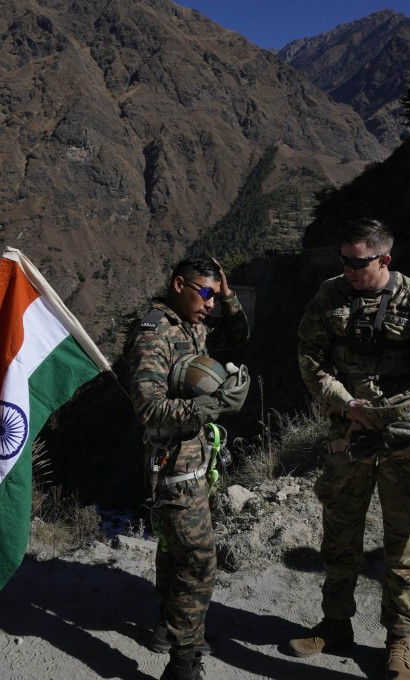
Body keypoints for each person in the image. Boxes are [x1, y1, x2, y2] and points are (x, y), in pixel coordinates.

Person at [290, 218, 410, 680]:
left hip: (405, 442)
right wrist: (345, 402)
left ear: (384, 259)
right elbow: (309, 359)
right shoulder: (329, 296)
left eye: (357, 262)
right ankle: (335, 625)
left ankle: (398, 643)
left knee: (403, 545)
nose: (347, 269)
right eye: (343, 259)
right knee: (339, 537)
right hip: (349, 436)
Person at [125, 256, 251, 680]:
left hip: (193, 458)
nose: (211, 303)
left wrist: (228, 295)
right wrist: (214, 405)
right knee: (198, 562)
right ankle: (183, 661)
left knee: (173, 550)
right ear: (179, 285)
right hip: (172, 463)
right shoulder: (154, 334)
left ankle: (168, 625)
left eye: (215, 295)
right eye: (205, 293)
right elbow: (149, 409)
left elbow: (240, 335)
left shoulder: (192, 323)